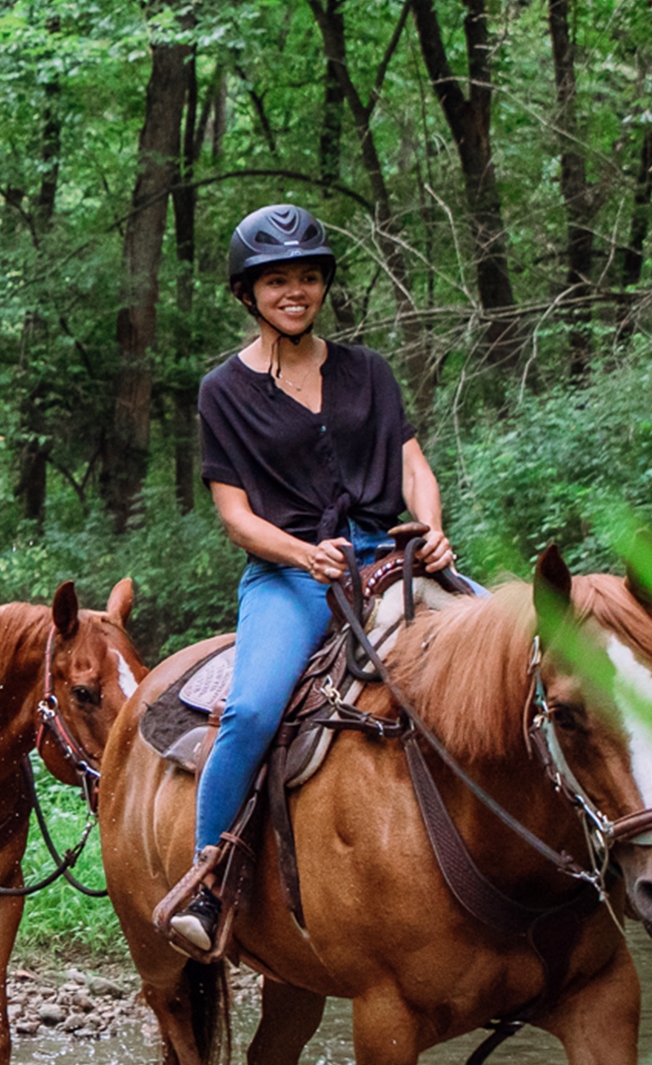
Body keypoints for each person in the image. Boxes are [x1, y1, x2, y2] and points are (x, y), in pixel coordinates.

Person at [159, 204, 456, 959]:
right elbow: (234, 514)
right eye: (278, 280)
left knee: (526, 658)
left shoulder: (369, 372)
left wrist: (429, 528)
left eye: (309, 278)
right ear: (248, 292)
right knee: (254, 710)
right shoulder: (223, 390)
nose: (296, 291)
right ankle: (210, 879)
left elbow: (413, 466)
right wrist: (300, 553)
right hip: (290, 575)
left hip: (391, 557)